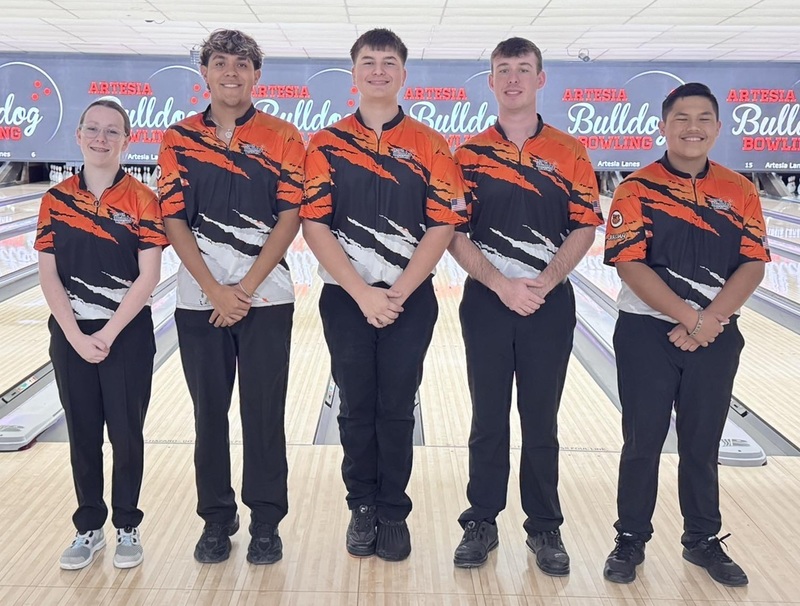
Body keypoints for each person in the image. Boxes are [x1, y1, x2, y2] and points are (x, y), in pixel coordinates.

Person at [301, 28, 467, 562]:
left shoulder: (432, 144)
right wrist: (361, 292)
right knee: (355, 407)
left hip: (409, 297)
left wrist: (395, 292)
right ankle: (362, 507)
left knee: (396, 407)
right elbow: (314, 225)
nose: (378, 70)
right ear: (354, 74)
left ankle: (394, 510)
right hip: (345, 298)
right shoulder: (324, 144)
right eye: (368, 62)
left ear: (403, 74)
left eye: (388, 62)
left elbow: (442, 224)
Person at [602, 82, 770, 587]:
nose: (691, 127)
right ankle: (630, 538)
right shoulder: (635, 188)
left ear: (717, 128)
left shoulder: (740, 190)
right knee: (642, 442)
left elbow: (754, 264)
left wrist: (709, 320)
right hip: (645, 335)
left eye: (702, 118)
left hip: (716, 335)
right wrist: (689, 318)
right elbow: (629, 264)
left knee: (702, 442)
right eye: (681, 118)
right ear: (664, 125)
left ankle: (701, 539)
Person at [447, 37, 602, 574]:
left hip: (549, 304)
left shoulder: (571, 152)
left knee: (541, 421)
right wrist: (500, 284)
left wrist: (544, 280)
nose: (513, 79)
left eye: (523, 70)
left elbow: (585, 225)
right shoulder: (465, 156)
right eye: (503, 70)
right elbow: (453, 234)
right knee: (487, 418)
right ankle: (481, 521)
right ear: (491, 81)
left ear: (541, 79)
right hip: (487, 303)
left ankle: (545, 529)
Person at [157, 29, 305, 565]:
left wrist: (241, 289)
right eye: (221, 63)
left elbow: (290, 217)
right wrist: (215, 289)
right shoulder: (176, 139)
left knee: (264, 415)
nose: (232, 73)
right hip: (199, 302)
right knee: (209, 417)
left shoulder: (285, 136)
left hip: (267, 299)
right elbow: (173, 218)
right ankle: (217, 520)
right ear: (206, 73)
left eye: (242, 64)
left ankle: (266, 522)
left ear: (256, 75)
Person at [36, 99, 166, 570]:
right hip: (70, 336)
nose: (101, 138)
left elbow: (148, 276)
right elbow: (48, 275)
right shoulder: (55, 199)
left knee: (127, 435)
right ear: (78, 134)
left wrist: (108, 333)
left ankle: (127, 524)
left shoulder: (143, 200)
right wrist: (73, 334)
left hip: (127, 335)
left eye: (113, 132)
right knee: (83, 434)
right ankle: (88, 527)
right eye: (93, 129)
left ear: (127, 141)